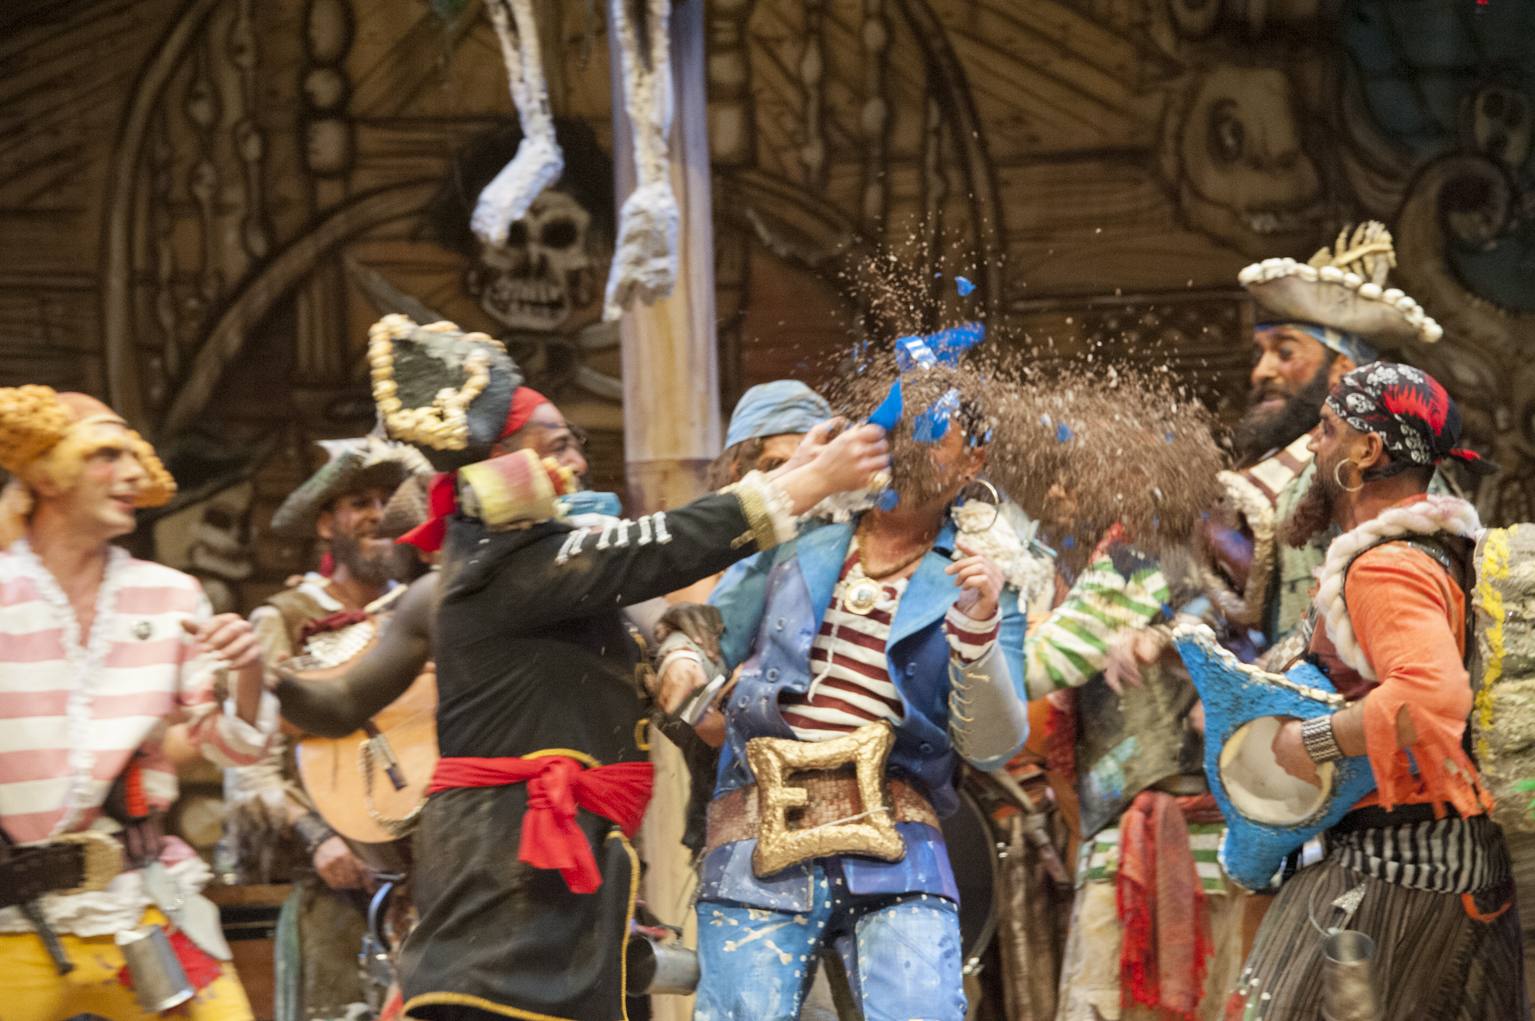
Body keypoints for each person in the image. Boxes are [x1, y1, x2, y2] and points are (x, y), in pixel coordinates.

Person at [273, 313, 891, 1021]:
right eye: (553, 446)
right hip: (502, 885)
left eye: (574, 446)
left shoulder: (540, 559)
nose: (572, 465)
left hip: (564, 879)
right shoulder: (501, 563)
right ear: (499, 464)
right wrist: (809, 481)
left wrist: (678, 646)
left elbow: (652, 586)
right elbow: (665, 544)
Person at [661, 389, 1029, 1021]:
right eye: (895, 427)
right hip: (756, 830)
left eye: (931, 432)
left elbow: (995, 743)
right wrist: (684, 660)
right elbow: (708, 635)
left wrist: (977, 633)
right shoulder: (800, 539)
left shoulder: (987, 576)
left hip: (898, 838)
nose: (905, 444)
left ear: (974, 460)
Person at [1231, 362, 1524, 1019]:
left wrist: (1308, 741)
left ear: (1366, 451)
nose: (1310, 444)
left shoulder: (1386, 563)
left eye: (1327, 428)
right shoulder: (1436, 548)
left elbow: (1431, 698)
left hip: (1390, 876)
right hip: (1455, 872)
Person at [0, 385, 274, 1020]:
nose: (131, 473)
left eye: (134, 458)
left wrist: (250, 668)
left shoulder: (170, 595)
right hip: (12, 918)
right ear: (46, 473)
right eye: (106, 455)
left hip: (140, 902)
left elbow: (232, 742)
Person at [223, 435, 431, 1020]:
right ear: (325, 523)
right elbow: (250, 767)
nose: (378, 514)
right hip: (337, 882)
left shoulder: (425, 607)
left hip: (436, 869)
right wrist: (320, 838)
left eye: (390, 499)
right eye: (359, 501)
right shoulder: (284, 617)